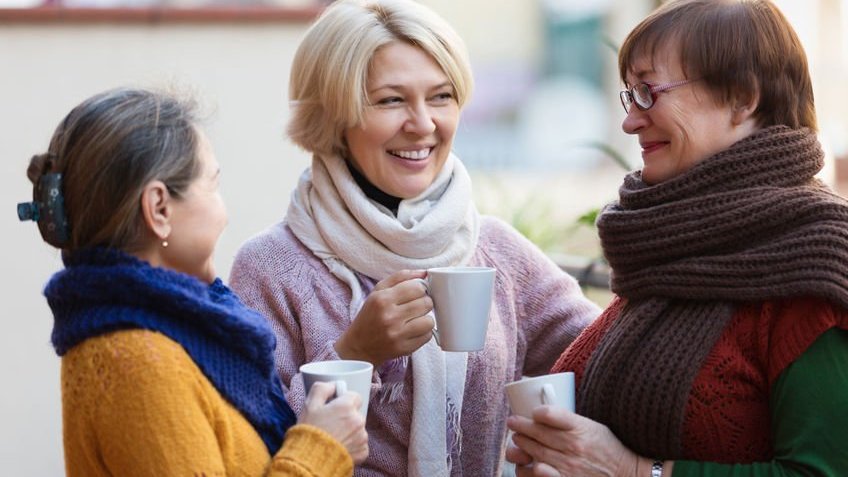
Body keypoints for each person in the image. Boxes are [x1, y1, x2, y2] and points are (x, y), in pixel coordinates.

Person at [227, 0, 600, 475]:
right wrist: (356, 354)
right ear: (334, 118)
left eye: (441, 96)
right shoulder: (271, 267)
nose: (423, 124)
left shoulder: (498, 253)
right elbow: (245, 446)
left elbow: (610, 364)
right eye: (390, 100)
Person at [505, 1, 848, 476]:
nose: (630, 121)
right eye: (630, 95)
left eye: (649, 91)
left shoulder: (818, 258)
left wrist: (635, 470)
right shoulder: (668, 246)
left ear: (742, 97)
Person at [17, 88, 369, 477]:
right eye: (212, 185)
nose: (223, 212)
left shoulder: (174, 333)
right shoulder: (138, 363)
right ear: (159, 208)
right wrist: (320, 451)